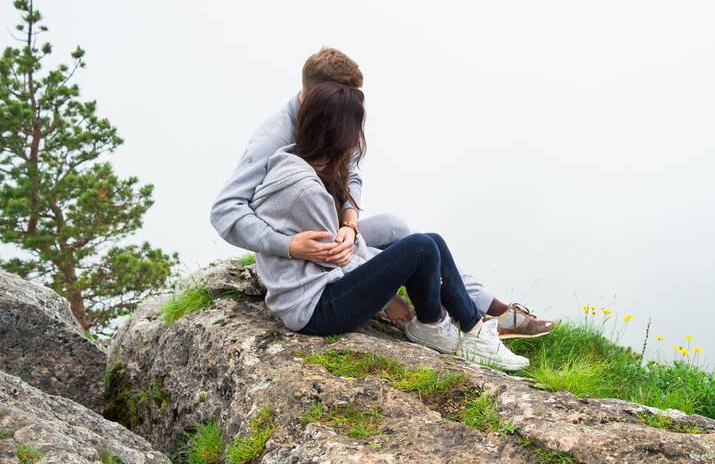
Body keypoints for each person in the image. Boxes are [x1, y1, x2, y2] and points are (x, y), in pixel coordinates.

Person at [209, 46, 554, 339]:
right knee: (415, 250)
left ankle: (488, 310)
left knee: (396, 227)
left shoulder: (329, 121)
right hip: (304, 256)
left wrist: (349, 219)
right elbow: (226, 211)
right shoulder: (273, 138)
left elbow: (350, 173)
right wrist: (289, 245)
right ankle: (450, 322)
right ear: (321, 98)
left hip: (332, 232)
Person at [250, 81, 528, 371]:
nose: (359, 135)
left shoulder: (300, 159)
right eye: (356, 126)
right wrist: (389, 297)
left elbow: (342, 244)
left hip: (313, 286)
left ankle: (472, 328)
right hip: (314, 308)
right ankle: (436, 325)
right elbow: (337, 263)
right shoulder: (306, 191)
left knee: (431, 241)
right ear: (339, 132)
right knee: (421, 249)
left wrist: (352, 223)